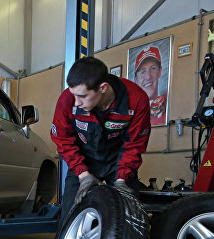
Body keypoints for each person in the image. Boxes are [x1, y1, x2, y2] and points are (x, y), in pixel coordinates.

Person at [50, 56, 151, 221]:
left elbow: (134, 144)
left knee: (130, 217)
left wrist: (121, 179)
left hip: (118, 161)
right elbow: (63, 140)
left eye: (82, 96)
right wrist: (83, 175)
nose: (76, 102)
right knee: (69, 217)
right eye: (73, 94)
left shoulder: (136, 100)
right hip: (83, 160)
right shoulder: (67, 100)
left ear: (103, 88)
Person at [134, 46, 167, 125]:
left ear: (160, 72)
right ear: (135, 79)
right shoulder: (129, 110)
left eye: (153, 68)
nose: (148, 77)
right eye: (143, 71)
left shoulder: (167, 102)